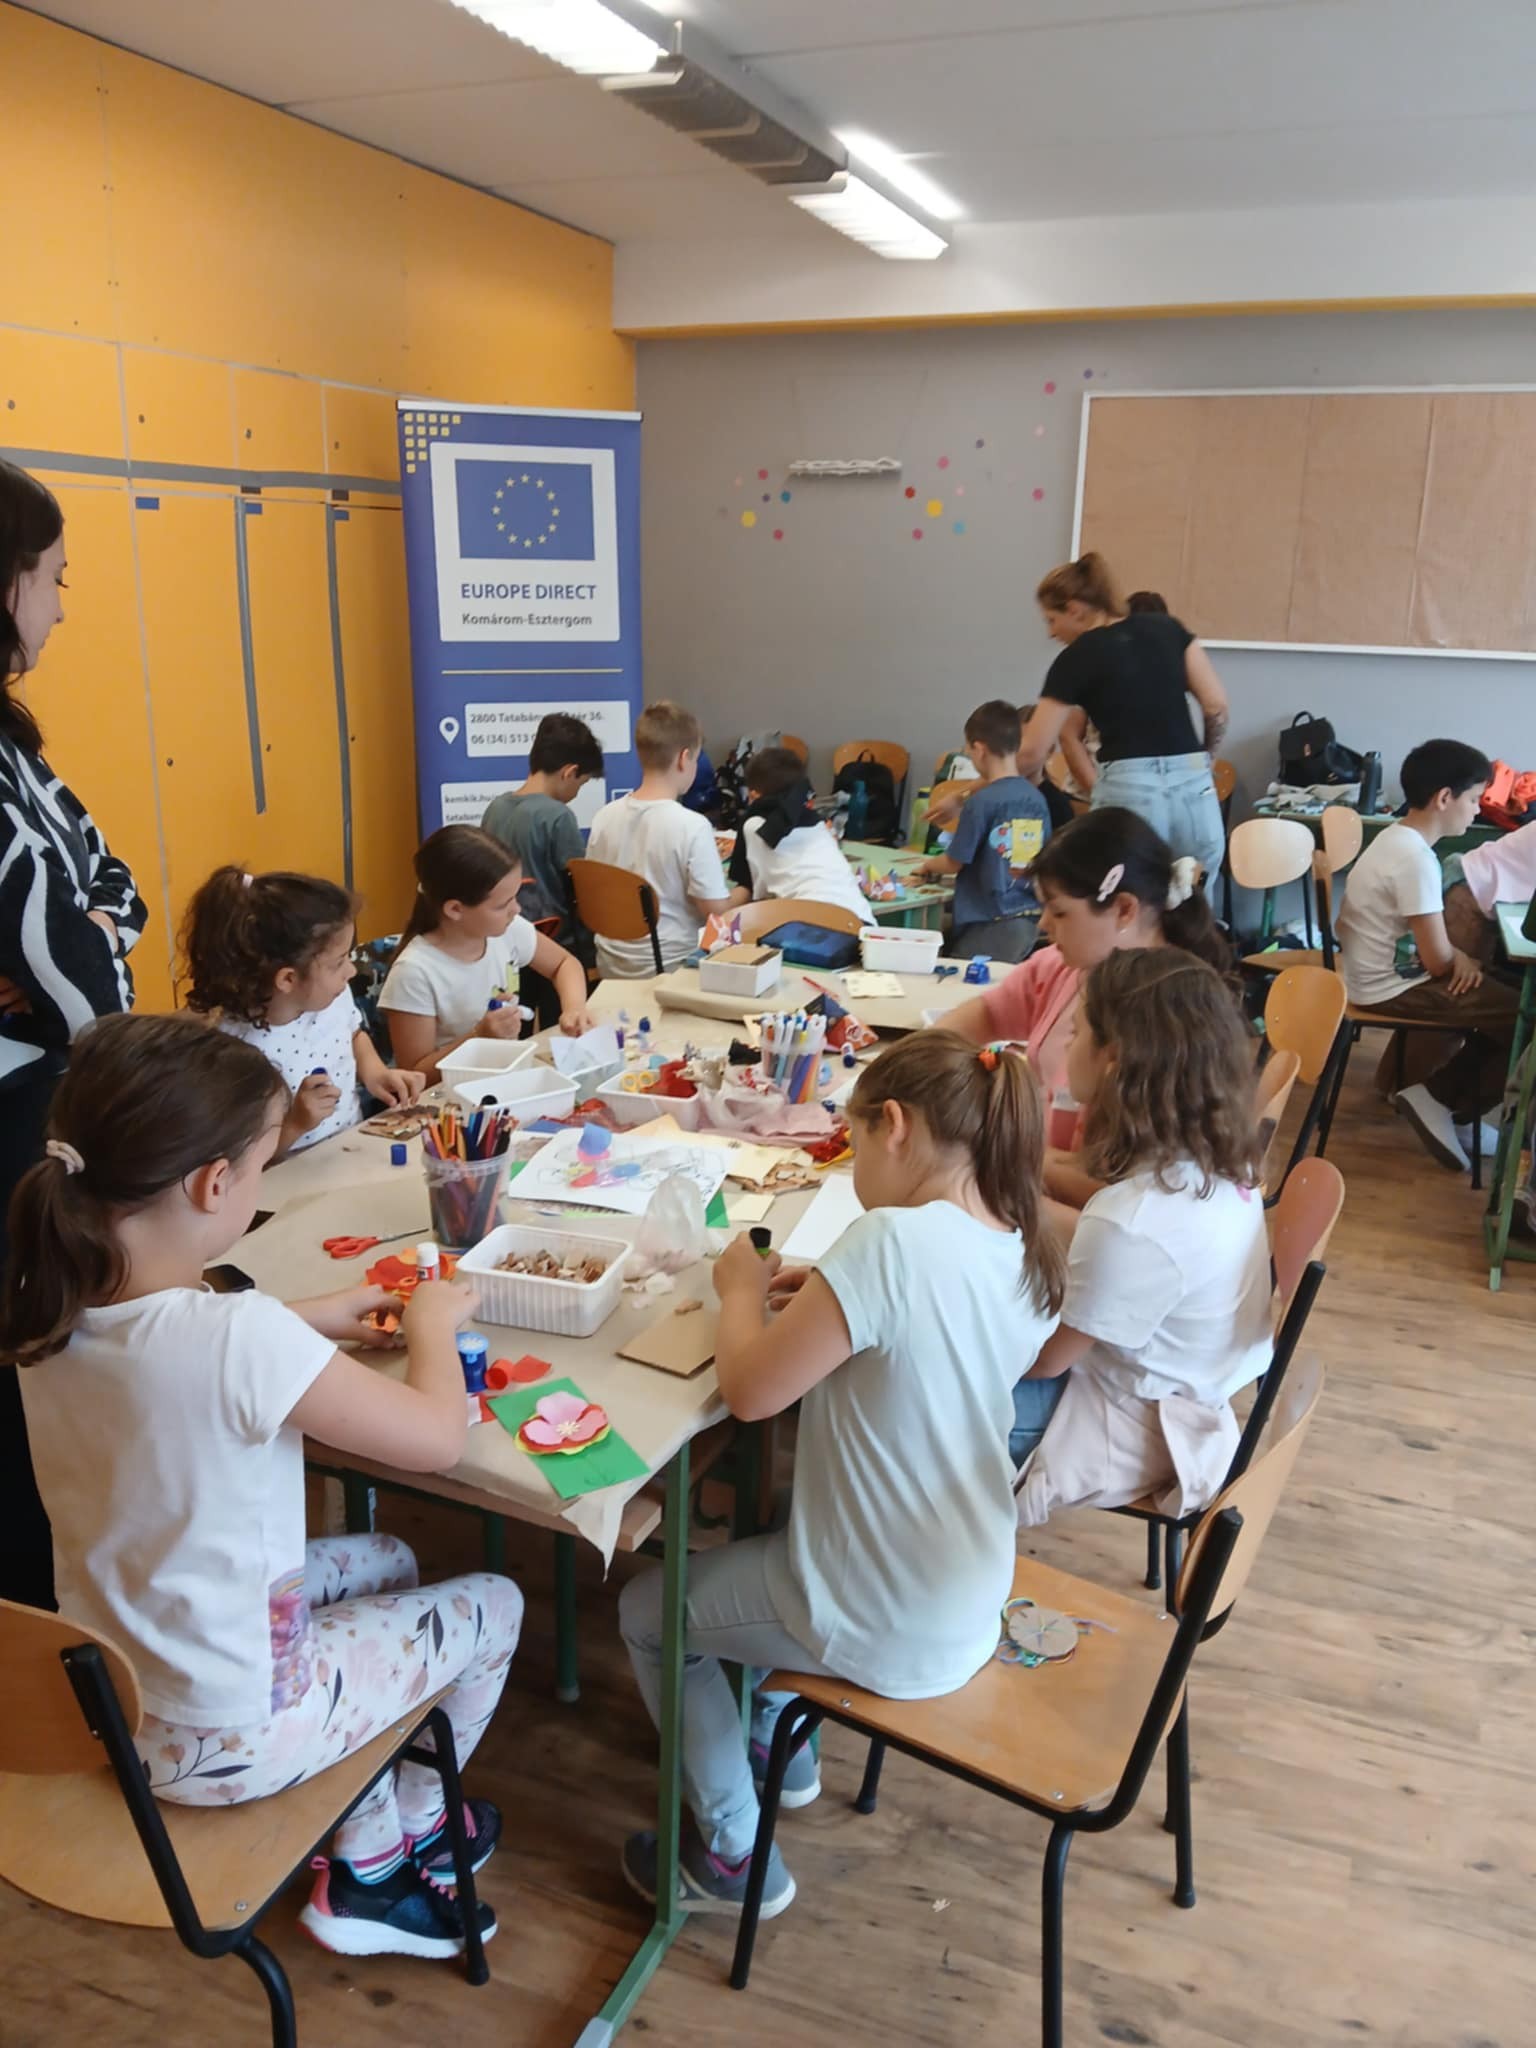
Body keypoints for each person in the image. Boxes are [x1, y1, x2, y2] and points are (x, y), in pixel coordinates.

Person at [0, 1013, 522, 1958]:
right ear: (214, 1184)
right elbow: (438, 1438)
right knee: (495, 1604)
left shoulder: (53, 1305)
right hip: (234, 1732)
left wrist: (312, 1316)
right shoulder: (238, 1338)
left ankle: (364, 1821)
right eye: (260, 1164)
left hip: (114, 1696)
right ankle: (382, 1863)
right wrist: (433, 1327)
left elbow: (184, 1343)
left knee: (389, 1557)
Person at [618, 1032, 1062, 1917]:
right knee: (775, 1519)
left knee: (647, 1614)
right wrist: (830, 1291)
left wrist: (740, 1293)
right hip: (967, 1584)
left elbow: (749, 1393)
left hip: (887, 1614)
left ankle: (731, 1852)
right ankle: (778, 1746)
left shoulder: (888, 1240)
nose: (855, 1165)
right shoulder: (1016, 1238)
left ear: (894, 1126)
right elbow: (926, 1332)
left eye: (854, 1142)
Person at [0, 458, 148, 1609]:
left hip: (36, 1097)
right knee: (21, 1416)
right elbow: (85, 998)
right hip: (13, 1129)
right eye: (53, 576)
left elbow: (112, 884)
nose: (62, 602)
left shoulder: (16, 744)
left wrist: (80, 932)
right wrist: (75, 944)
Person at [1011, 948, 1272, 1520]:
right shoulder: (1213, 1162)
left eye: (1076, 1032)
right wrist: (1024, 1175)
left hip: (1125, 1425)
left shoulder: (1132, 1222)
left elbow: (1041, 1362)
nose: (1066, 1044)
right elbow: (1112, 1224)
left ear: (1113, 1059)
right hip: (1183, 1393)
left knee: (919, 1392)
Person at [940, 808, 1230, 1135]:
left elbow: (1131, 1159)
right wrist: (917, 1065)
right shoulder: (1064, 965)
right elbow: (990, 1015)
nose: (1043, 924)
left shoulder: (1168, 1016)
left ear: (1124, 909)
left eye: (1059, 912)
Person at [1336, 740, 1514, 1171]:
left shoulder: (1395, 839)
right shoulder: (1415, 861)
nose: (1477, 810)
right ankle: (1441, 1099)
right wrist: (1461, 958)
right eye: (1474, 799)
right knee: (1524, 1016)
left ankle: (1458, 1109)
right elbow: (1438, 962)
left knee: (1508, 1001)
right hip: (1392, 987)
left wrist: (1461, 957)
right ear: (1444, 798)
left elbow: (1431, 946)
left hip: (1377, 975)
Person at [182, 865, 425, 1156]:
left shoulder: (332, 996)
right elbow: (242, 1158)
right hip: (288, 1174)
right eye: (338, 962)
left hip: (350, 1149)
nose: (350, 971)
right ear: (288, 979)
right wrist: (296, 1124)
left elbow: (353, 1033)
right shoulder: (236, 1051)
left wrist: (376, 1073)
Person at [1017, 553, 1229, 883]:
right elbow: (1215, 706)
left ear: (1075, 609)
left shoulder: (1076, 657)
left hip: (1130, 786)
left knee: (1127, 898)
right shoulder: (1169, 629)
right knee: (1195, 899)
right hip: (1192, 782)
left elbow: (1034, 751)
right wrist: (1205, 761)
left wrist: (978, 789)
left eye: (1051, 620)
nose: (1051, 632)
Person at [379, 826, 596, 1082]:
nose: (516, 909)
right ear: (455, 909)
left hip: (504, 1076)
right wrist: (479, 1036)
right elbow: (414, 1074)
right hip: (453, 1093)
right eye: (502, 905)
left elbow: (564, 963)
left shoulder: (506, 930)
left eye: (515, 897)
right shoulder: (414, 972)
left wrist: (574, 1008)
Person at [586, 700, 738, 976]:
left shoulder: (603, 817)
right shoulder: (692, 826)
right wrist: (746, 892)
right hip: (672, 966)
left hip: (610, 964)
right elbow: (716, 912)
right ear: (684, 758)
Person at [917, 699, 1053, 963]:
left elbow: (953, 861)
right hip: (1029, 918)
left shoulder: (980, 802)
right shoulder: (1037, 799)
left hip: (989, 920)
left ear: (979, 750)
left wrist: (927, 866)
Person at [480, 711, 604, 945]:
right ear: (569, 773)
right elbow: (582, 892)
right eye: (581, 783)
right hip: (557, 942)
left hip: (503, 938)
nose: (577, 793)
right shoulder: (558, 816)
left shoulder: (495, 808)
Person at [727, 746, 873, 926]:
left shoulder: (754, 825)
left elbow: (751, 891)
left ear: (753, 794)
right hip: (861, 922)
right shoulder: (820, 825)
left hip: (809, 926)